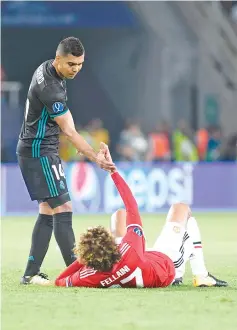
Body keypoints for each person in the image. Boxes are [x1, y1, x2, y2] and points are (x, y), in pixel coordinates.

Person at [51, 143, 227, 288]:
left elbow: (61, 281)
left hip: (139, 265)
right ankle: (201, 275)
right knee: (181, 208)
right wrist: (113, 171)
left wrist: (82, 260)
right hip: (165, 268)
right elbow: (131, 205)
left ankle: (197, 274)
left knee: (118, 215)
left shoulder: (90, 276)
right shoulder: (130, 247)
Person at [16, 37, 115, 285]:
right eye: (71, 64)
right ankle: (75, 271)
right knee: (64, 208)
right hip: (40, 151)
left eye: (80, 64)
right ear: (59, 59)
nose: (76, 69)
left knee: (48, 209)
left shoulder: (48, 68)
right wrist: (95, 158)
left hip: (36, 147)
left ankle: (31, 273)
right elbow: (70, 132)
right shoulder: (51, 89)